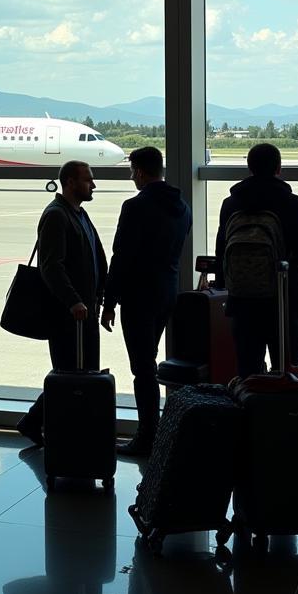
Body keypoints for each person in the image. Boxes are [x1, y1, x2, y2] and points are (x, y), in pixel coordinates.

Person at [214, 142, 298, 378]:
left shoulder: (231, 204)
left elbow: (221, 253)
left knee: (248, 376)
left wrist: (222, 286)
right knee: (287, 374)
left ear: (249, 168)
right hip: (286, 302)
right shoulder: (295, 204)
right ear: (278, 168)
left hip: (243, 304)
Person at [101, 147, 192, 456]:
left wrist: (109, 300)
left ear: (140, 171)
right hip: (167, 291)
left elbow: (122, 257)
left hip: (139, 296)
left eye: (132, 172)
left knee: (142, 369)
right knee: (149, 363)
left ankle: (147, 436)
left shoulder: (135, 207)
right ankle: (155, 432)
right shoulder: (182, 206)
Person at [17, 160, 108, 446]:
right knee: (69, 374)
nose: (93, 185)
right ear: (70, 182)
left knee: (81, 374)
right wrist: (73, 301)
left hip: (85, 311)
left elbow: (95, 259)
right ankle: (42, 424)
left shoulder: (78, 214)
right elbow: (51, 266)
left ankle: (46, 424)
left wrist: (100, 296)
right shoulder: (57, 215)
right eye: (87, 180)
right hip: (68, 313)